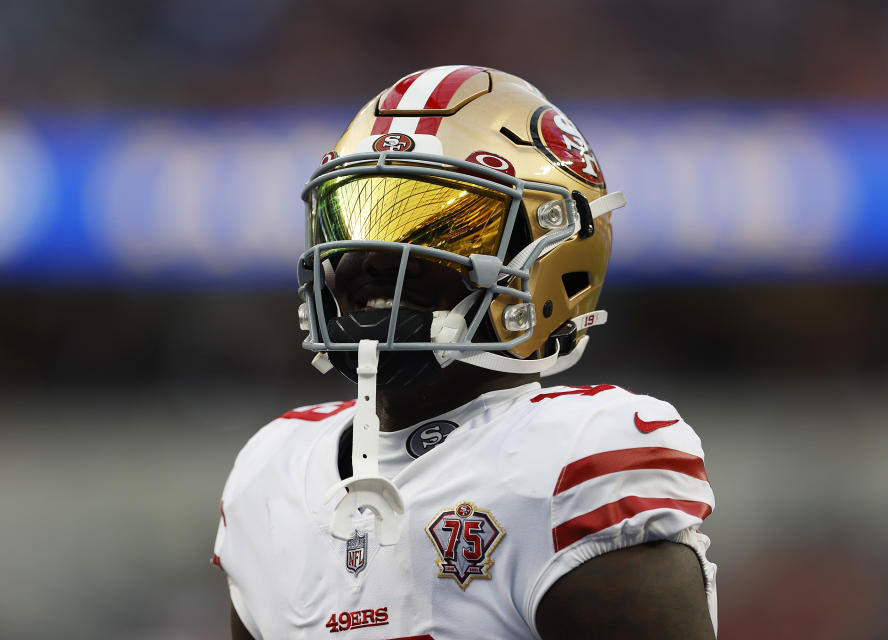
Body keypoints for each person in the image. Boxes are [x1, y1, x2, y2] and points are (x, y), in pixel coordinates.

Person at [213, 65, 717, 639]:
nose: (374, 257)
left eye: (439, 229)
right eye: (355, 216)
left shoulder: (573, 458)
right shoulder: (272, 471)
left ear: (547, 252)